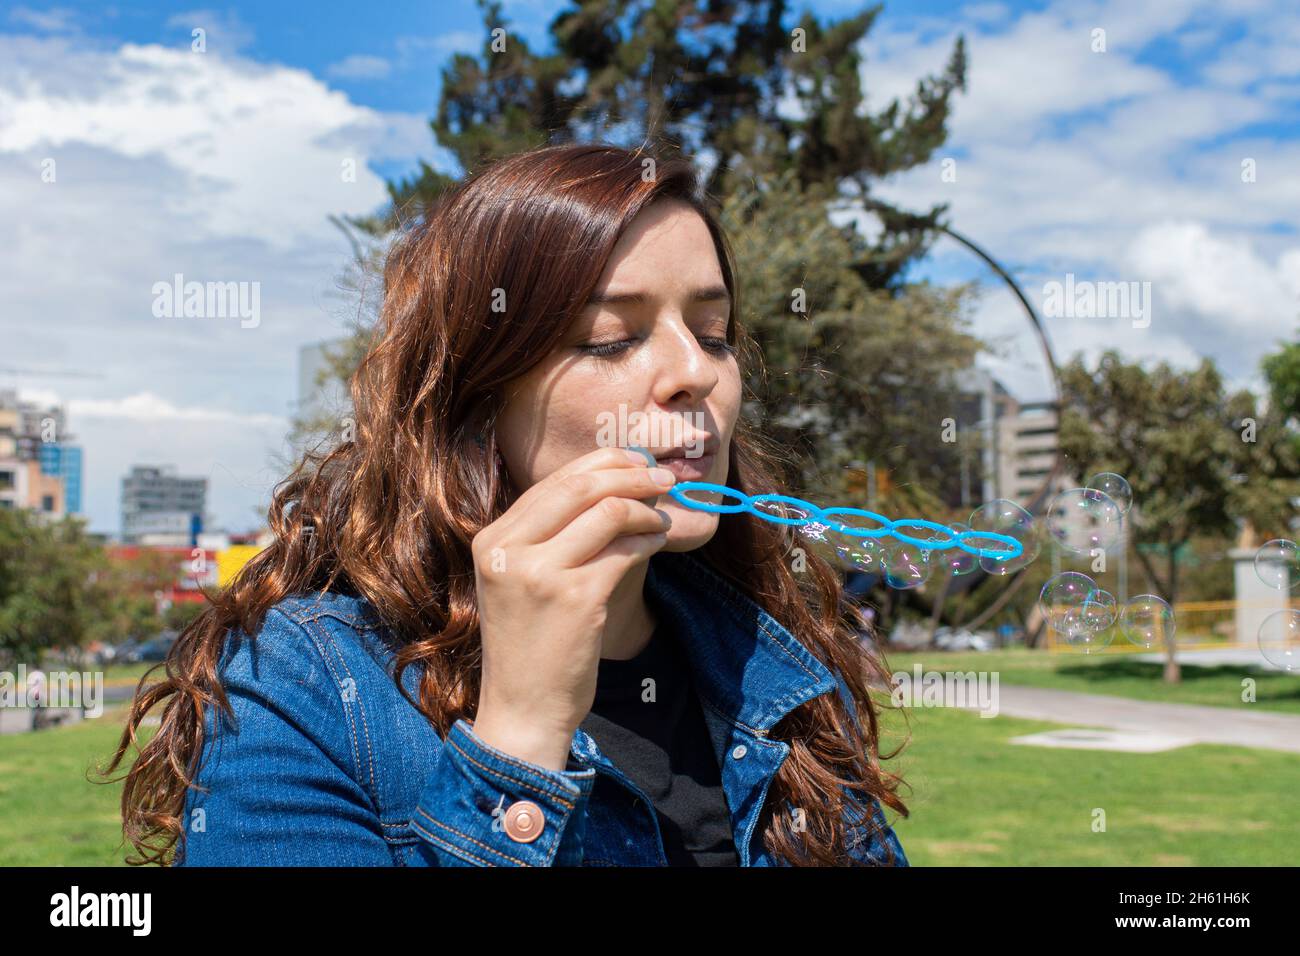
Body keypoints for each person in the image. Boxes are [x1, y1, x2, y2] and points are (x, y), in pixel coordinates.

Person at [105, 142, 909, 867]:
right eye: (610, 338)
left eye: (714, 330)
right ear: (479, 399)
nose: (694, 372)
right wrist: (519, 739)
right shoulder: (307, 684)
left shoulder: (774, 660)